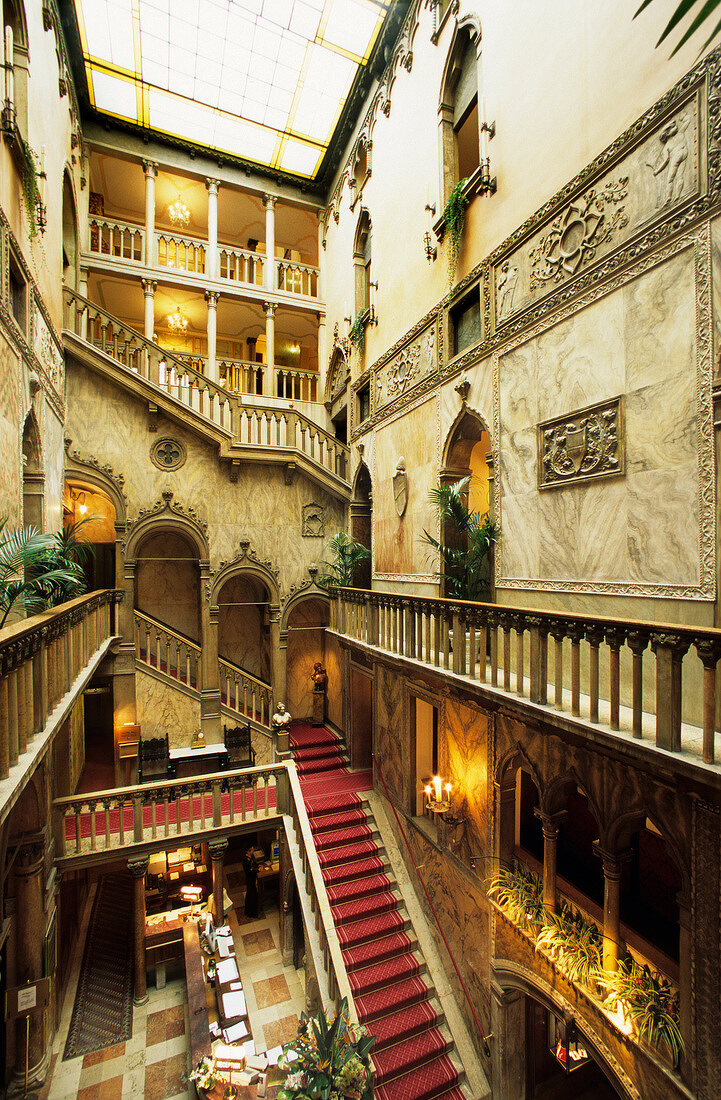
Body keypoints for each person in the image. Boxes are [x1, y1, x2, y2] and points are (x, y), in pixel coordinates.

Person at [242, 847, 259, 919]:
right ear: (248, 851)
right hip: (250, 879)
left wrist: (257, 866)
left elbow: (254, 864)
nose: (253, 850)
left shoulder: (251, 857)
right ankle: (251, 912)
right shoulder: (246, 860)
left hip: (252, 878)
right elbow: (250, 870)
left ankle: (252, 911)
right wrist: (257, 870)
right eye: (252, 849)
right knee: (251, 894)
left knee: (253, 894)